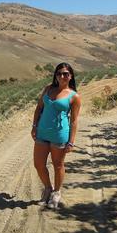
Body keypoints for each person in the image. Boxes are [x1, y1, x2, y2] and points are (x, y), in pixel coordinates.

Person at [31, 62, 81, 209]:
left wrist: (71, 141)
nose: (62, 76)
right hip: (42, 132)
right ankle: (48, 188)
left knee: (58, 165)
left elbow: (74, 121)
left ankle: (56, 193)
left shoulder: (74, 96)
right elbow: (39, 108)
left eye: (66, 73)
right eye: (59, 73)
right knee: (38, 164)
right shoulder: (48, 89)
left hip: (59, 134)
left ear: (71, 76)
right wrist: (34, 126)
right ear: (56, 76)